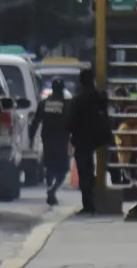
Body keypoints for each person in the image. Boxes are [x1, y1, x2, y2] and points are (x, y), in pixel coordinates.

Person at [67, 68, 114, 215]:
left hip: (82, 140)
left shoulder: (78, 100)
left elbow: (69, 121)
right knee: (104, 167)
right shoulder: (100, 98)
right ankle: (99, 196)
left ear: (80, 82)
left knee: (85, 171)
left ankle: (89, 203)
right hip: (101, 138)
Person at [28, 78, 72, 206]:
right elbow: (73, 122)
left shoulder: (44, 103)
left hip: (48, 140)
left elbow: (35, 123)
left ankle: (50, 187)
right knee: (62, 169)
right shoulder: (67, 104)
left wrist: (31, 138)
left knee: (49, 167)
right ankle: (53, 190)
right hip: (62, 140)